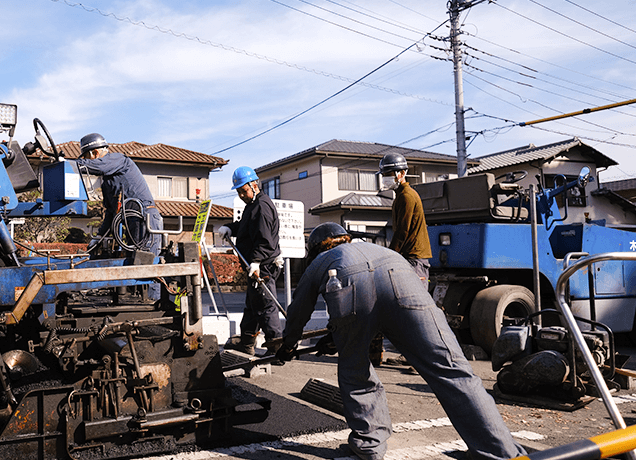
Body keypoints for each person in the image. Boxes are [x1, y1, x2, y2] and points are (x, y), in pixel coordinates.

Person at [276, 223, 526, 460]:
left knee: (356, 371)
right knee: (452, 371)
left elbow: (299, 310)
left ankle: (369, 446)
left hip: (348, 288)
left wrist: (288, 345)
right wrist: (335, 336)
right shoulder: (378, 249)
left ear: (318, 248)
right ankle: (501, 451)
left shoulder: (322, 260)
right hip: (403, 280)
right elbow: (377, 298)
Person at [75, 133, 163, 301]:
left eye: (87, 157)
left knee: (147, 265)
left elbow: (97, 167)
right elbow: (111, 211)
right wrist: (99, 237)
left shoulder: (118, 160)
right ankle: (137, 302)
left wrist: (68, 164)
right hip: (130, 221)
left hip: (144, 217)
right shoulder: (108, 181)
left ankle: (154, 302)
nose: (88, 162)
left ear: (94, 154)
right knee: (133, 264)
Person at [216, 166, 282, 355]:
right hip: (255, 264)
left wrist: (256, 262)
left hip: (263, 266)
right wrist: (230, 228)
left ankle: (276, 348)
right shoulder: (252, 205)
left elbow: (265, 241)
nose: (241, 195)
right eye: (238, 192)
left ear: (254, 185)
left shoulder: (262, 206)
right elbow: (245, 228)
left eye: (243, 191)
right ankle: (246, 343)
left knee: (266, 306)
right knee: (253, 306)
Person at [378, 152, 431, 286]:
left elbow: (402, 231)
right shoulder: (401, 195)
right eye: (383, 175)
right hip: (410, 256)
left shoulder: (406, 196)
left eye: (388, 174)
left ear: (401, 173)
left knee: (416, 302)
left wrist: (389, 256)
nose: (384, 178)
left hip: (414, 258)